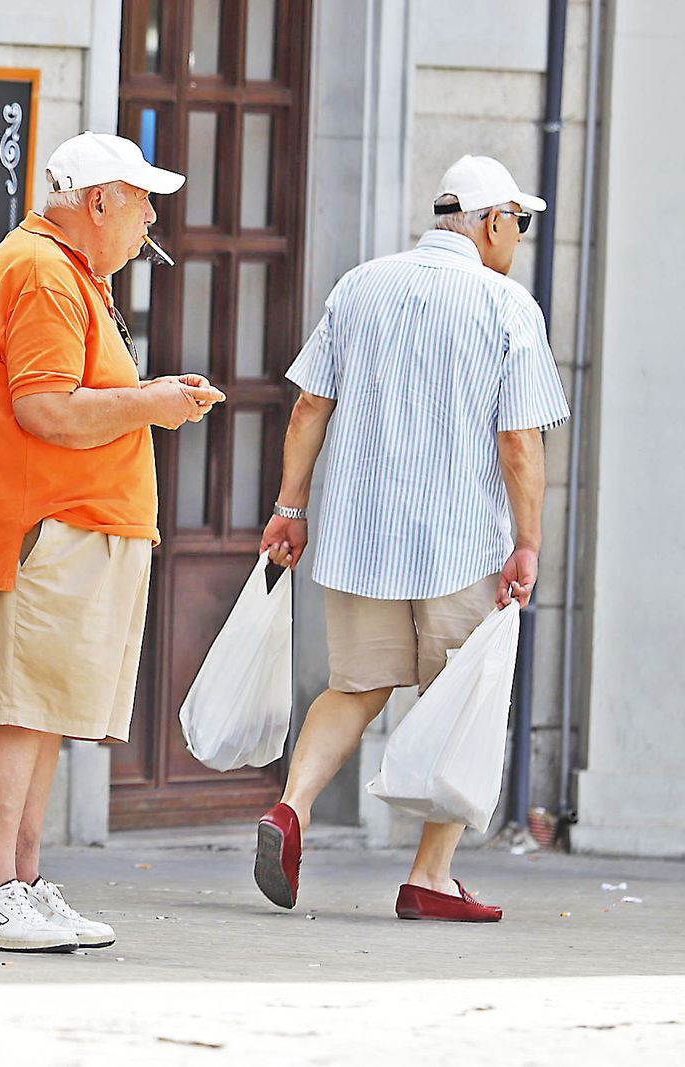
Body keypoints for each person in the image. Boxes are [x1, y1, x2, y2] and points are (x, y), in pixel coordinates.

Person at [0, 131, 224, 952]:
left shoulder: (64, 270)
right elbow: (45, 409)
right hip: (39, 530)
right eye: (142, 201)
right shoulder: (46, 272)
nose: (151, 218)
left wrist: (152, 397)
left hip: (60, 528)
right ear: (98, 203)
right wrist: (153, 402)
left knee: (43, 711)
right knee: (22, 712)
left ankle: (18, 883)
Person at [253, 155, 571, 923]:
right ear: (492, 223)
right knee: (462, 700)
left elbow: (307, 410)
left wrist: (290, 507)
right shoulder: (507, 306)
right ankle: (430, 873)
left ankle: (290, 808)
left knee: (354, 686)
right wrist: (529, 542)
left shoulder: (361, 285)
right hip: (462, 543)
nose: (518, 238)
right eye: (518, 223)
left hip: (361, 538)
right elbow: (520, 443)